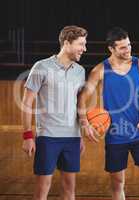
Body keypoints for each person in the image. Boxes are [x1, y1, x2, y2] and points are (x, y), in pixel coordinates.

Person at [78, 27, 139, 200]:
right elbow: (82, 98)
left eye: (128, 45)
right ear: (111, 49)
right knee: (117, 184)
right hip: (115, 136)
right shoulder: (100, 70)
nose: (127, 49)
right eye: (122, 47)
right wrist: (85, 123)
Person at [21, 25, 87, 200]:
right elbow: (27, 102)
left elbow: (78, 104)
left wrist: (79, 135)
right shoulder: (41, 67)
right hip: (47, 137)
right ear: (67, 43)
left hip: (72, 138)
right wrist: (28, 136)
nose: (84, 49)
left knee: (69, 189)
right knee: (43, 188)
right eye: (81, 44)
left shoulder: (80, 72)